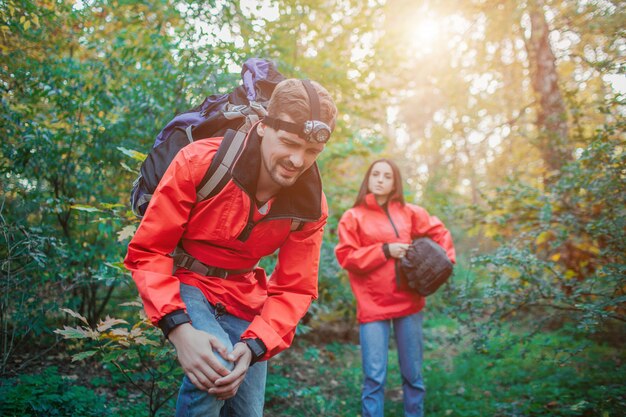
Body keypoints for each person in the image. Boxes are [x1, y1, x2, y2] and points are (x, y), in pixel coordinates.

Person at [124, 78, 337, 417]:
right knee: (217, 363)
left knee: (248, 409)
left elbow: (295, 288)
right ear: (264, 126)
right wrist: (179, 330)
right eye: (289, 143)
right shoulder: (200, 162)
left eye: (311, 151)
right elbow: (150, 251)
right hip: (186, 280)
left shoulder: (311, 205)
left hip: (243, 294)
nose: (298, 160)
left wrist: (254, 346)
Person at [335, 159, 455, 417]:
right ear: (368, 178)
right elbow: (347, 257)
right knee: (374, 379)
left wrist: (443, 263)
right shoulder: (352, 217)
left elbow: (439, 232)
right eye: (375, 174)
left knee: (413, 376)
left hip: (409, 303)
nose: (380, 179)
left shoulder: (409, 212)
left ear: (394, 183)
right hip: (372, 306)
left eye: (387, 176)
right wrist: (384, 250)